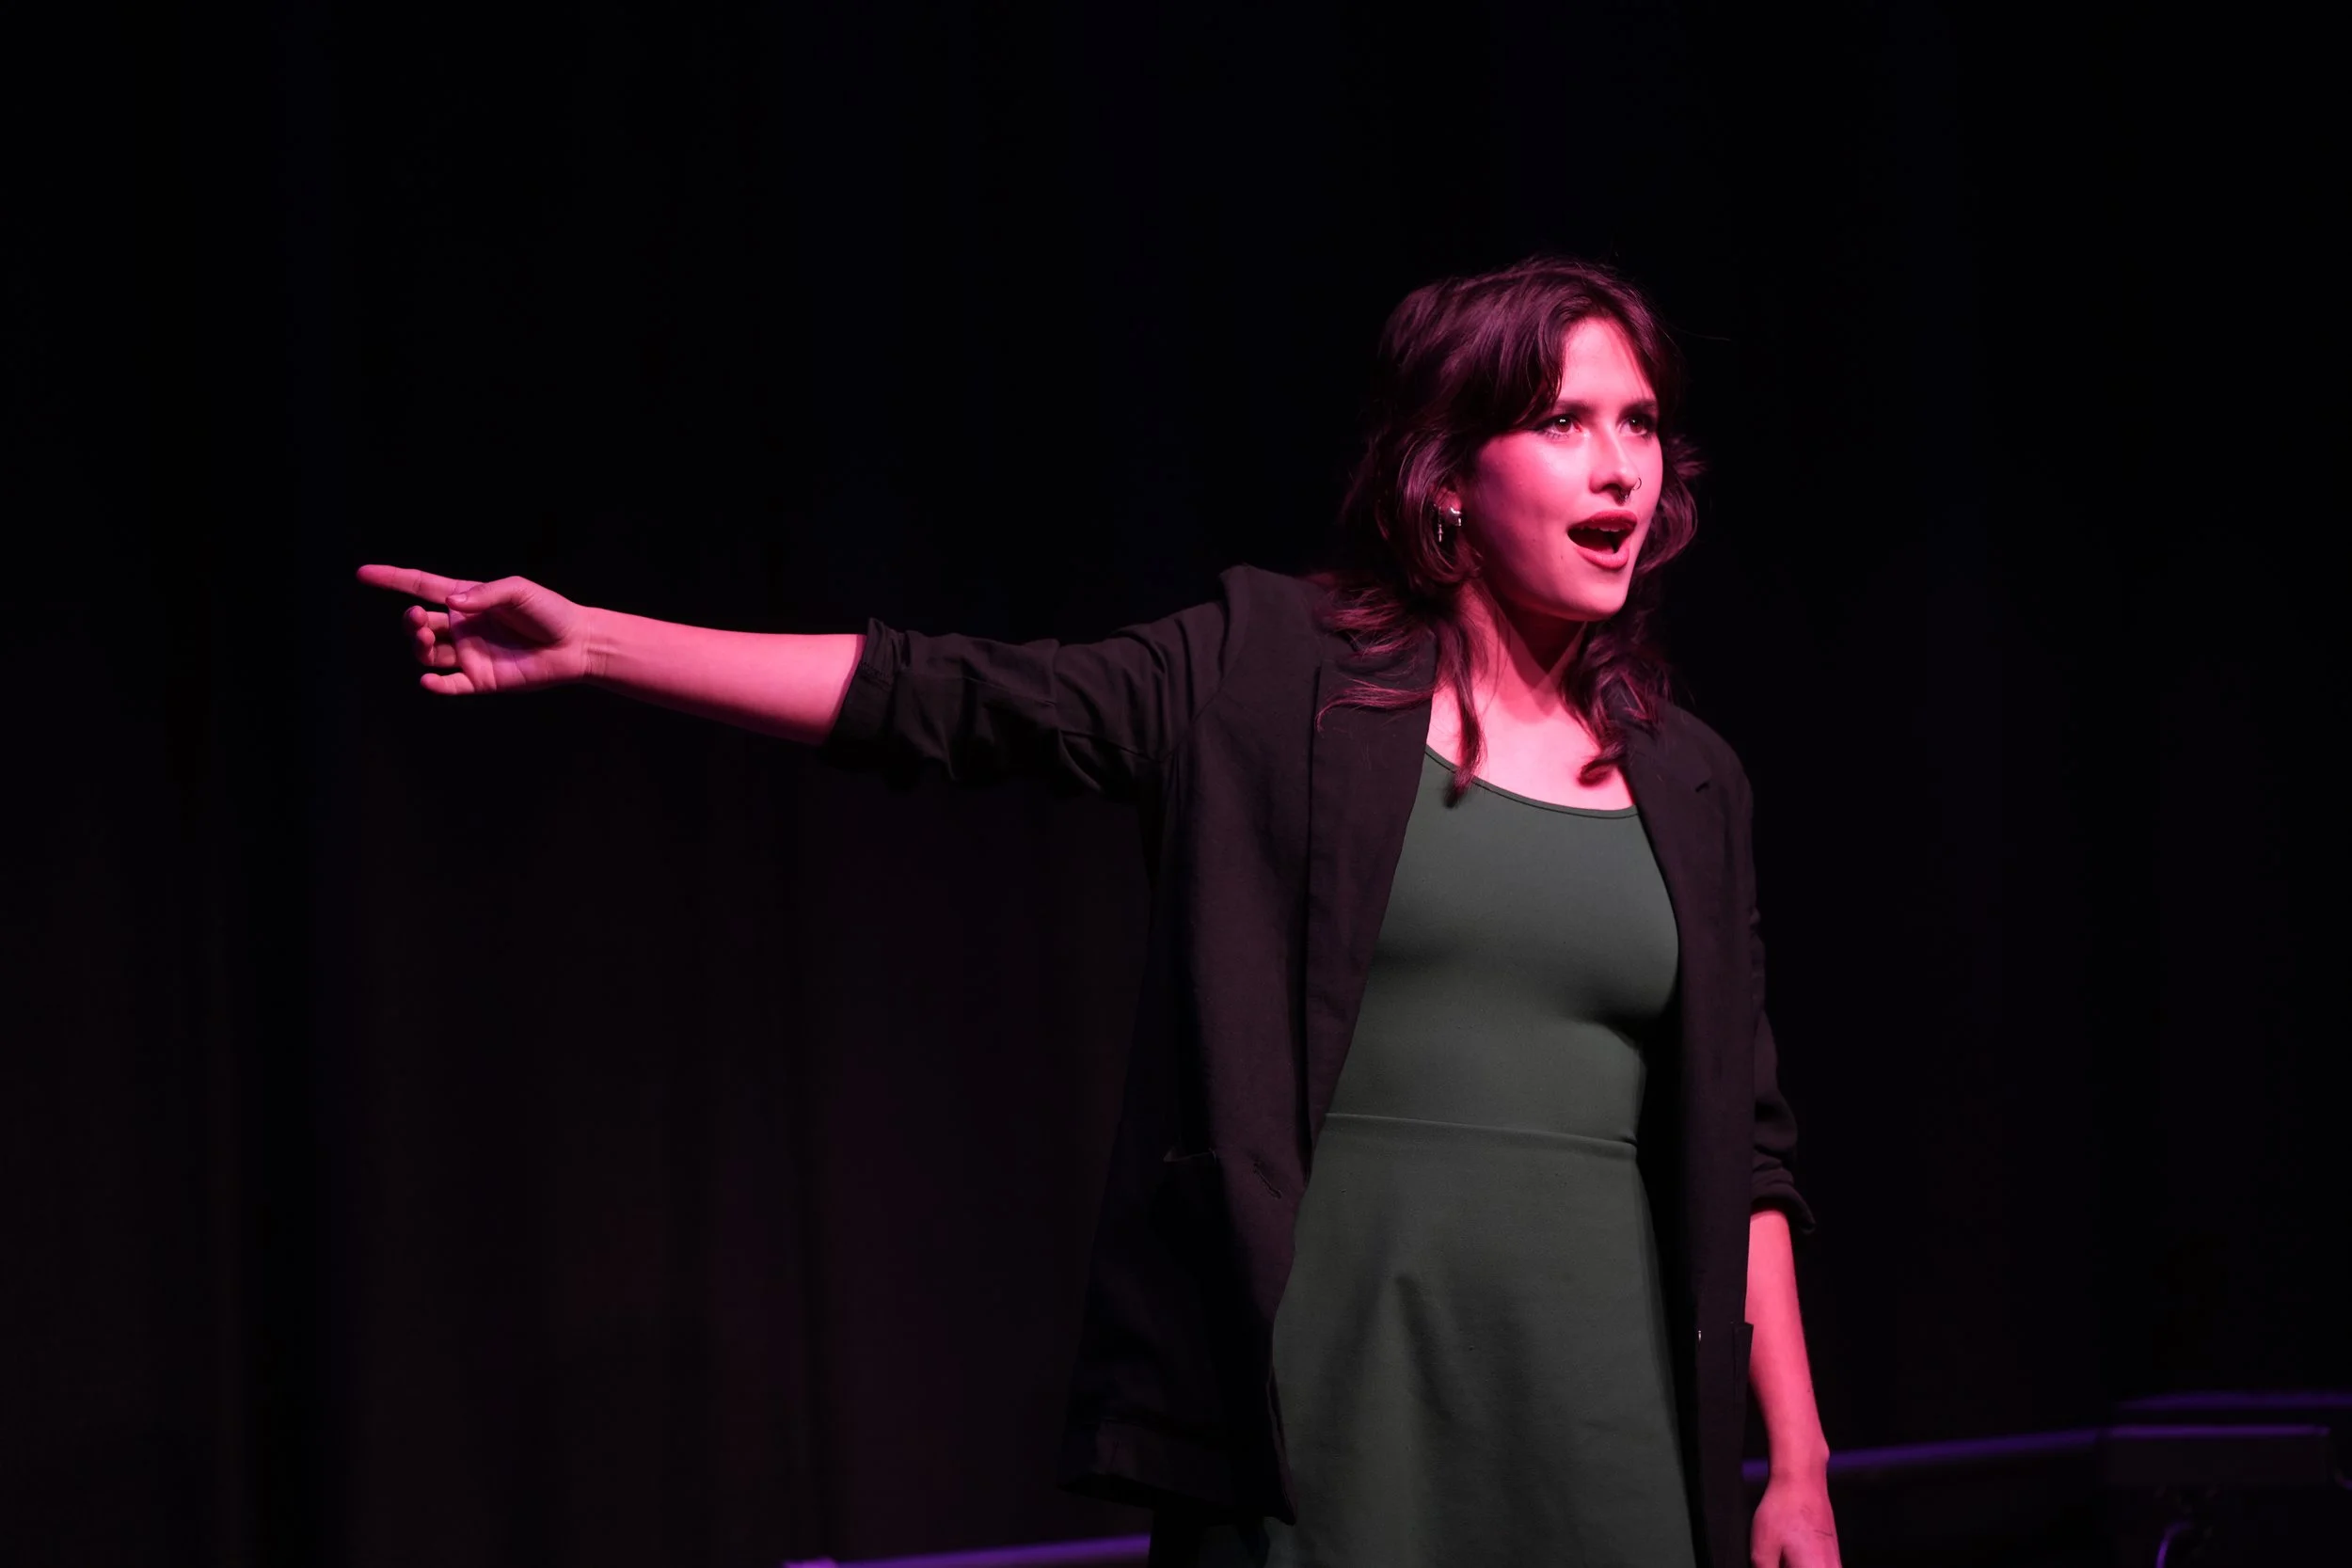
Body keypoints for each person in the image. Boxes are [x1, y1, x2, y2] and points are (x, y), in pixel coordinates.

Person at [358, 256, 1841, 1568]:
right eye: (1564, 422)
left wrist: (1798, 1460)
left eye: (1639, 423)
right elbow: (952, 699)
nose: (1619, 468)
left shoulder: (1690, 779)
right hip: (1340, 1393)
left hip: (1607, 1401)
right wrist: (603, 644)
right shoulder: (1274, 678)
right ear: (1447, 476)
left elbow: (1745, 1147)